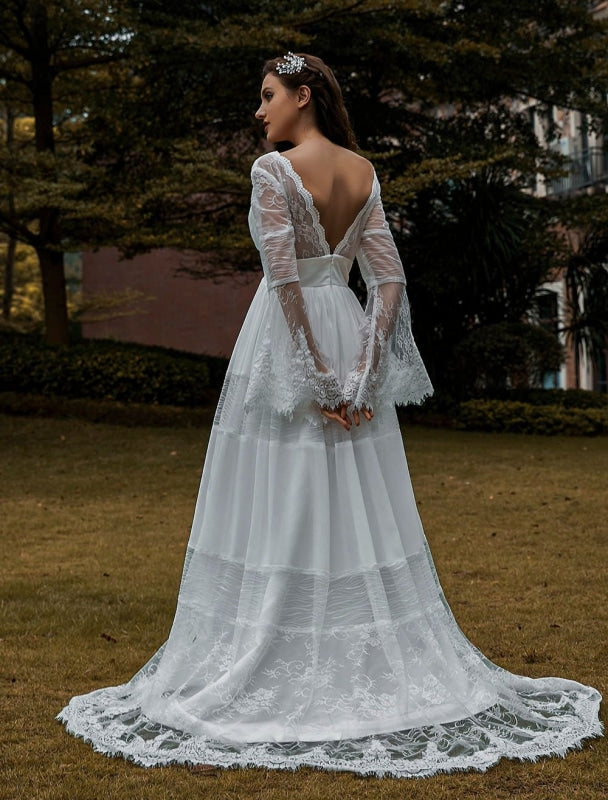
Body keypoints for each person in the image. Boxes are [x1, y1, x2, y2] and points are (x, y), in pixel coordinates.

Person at [57, 52, 602, 778]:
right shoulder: (363, 172)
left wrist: (314, 374)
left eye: (268, 95)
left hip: (289, 340)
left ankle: (278, 637)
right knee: (353, 495)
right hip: (345, 325)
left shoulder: (273, 171)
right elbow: (389, 281)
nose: (260, 111)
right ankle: (349, 639)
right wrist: (362, 370)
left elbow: (283, 279)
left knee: (283, 488)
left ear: (303, 96)